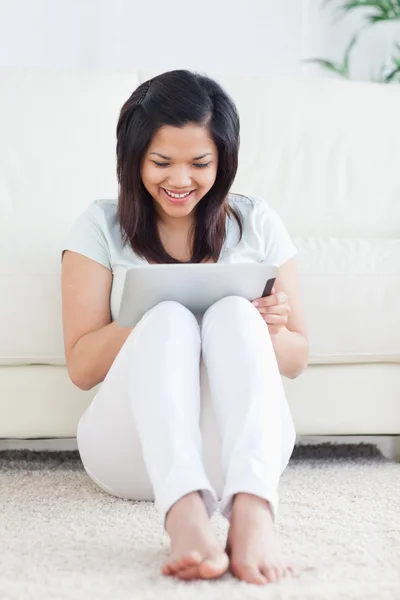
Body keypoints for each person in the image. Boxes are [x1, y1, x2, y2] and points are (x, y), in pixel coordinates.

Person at [61, 69, 309, 585]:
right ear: (133, 160)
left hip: (242, 456)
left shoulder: (257, 222)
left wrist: (272, 331)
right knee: (170, 318)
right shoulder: (97, 227)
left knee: (236, 313)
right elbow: (82, 368)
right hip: (132, 456)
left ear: (223, 160)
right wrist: (156, 309)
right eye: (160, 163)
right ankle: (183, 513)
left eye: (199, 163)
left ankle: (252, 510)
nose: (179, 180)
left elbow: (297, 359)